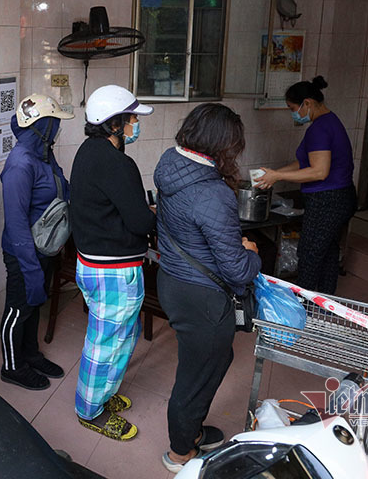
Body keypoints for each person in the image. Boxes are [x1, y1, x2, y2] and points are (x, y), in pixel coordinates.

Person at [154, 103, 261, 473]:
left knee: (210, 362)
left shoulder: (170, 164)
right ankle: (181, 452)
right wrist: (253, 254)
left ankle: (191, 430)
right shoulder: (213, 193)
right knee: (195, 377)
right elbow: (236, 270)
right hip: (202, 297)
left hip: (173, 281)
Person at [65, 85, 155, 439]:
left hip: (92, 264)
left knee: (119, 336)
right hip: (114, 272)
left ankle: (103, 394)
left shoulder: (87, 152)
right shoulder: (118, 164)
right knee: (106, 342)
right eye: (131, 117)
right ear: (114, 123)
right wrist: (150, 215)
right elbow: (140, 222)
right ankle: (89, 410)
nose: (135, 123)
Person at [0, 94, 74, 391]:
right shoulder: (20, 164)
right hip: (23, 252)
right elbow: (16, 224)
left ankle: (29, 354)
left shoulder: (43, 153)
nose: (58, 128)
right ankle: (11, 366)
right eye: (55, 123)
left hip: (43, 247)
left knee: (31, 307)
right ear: (42, 126)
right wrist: (30, 269)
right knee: (18, 309)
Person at [256, 76, 355, 294]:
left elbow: (319, 171)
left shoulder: (319, 129)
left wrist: (278, 178)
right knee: (328, 251)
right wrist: (275, 173)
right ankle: (325, 302)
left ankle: (302, 307)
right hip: (340, 197)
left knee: (309, 253)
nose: (293, 114)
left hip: (328, 200)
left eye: (293, 108)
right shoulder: (329, 121)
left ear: (307, 103)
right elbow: (304, 161)